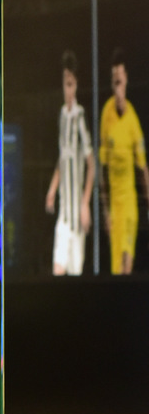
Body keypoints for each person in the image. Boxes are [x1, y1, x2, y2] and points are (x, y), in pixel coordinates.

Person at [99, 49, 149, 275]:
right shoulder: (106, 114)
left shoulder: (133, 121)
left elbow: (142, 168)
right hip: (114, 210)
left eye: (120, 80)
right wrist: (105, 212)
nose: (117, 86)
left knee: (127, 264)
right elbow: (102, 167)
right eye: (113, 81)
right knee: (116, 269)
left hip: (129, 205)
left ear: (126, 80)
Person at [45, 51, 94, 276]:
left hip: (77, 218)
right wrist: (52, 190)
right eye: (66, 83)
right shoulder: (62, 116)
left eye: (72, 83)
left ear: (75, 85)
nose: (68, 88)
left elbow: (91, 163)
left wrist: (85, 204)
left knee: (74, 281)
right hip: (64, 217)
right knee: (57, 271)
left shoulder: (80, 116)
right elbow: (62, 159)